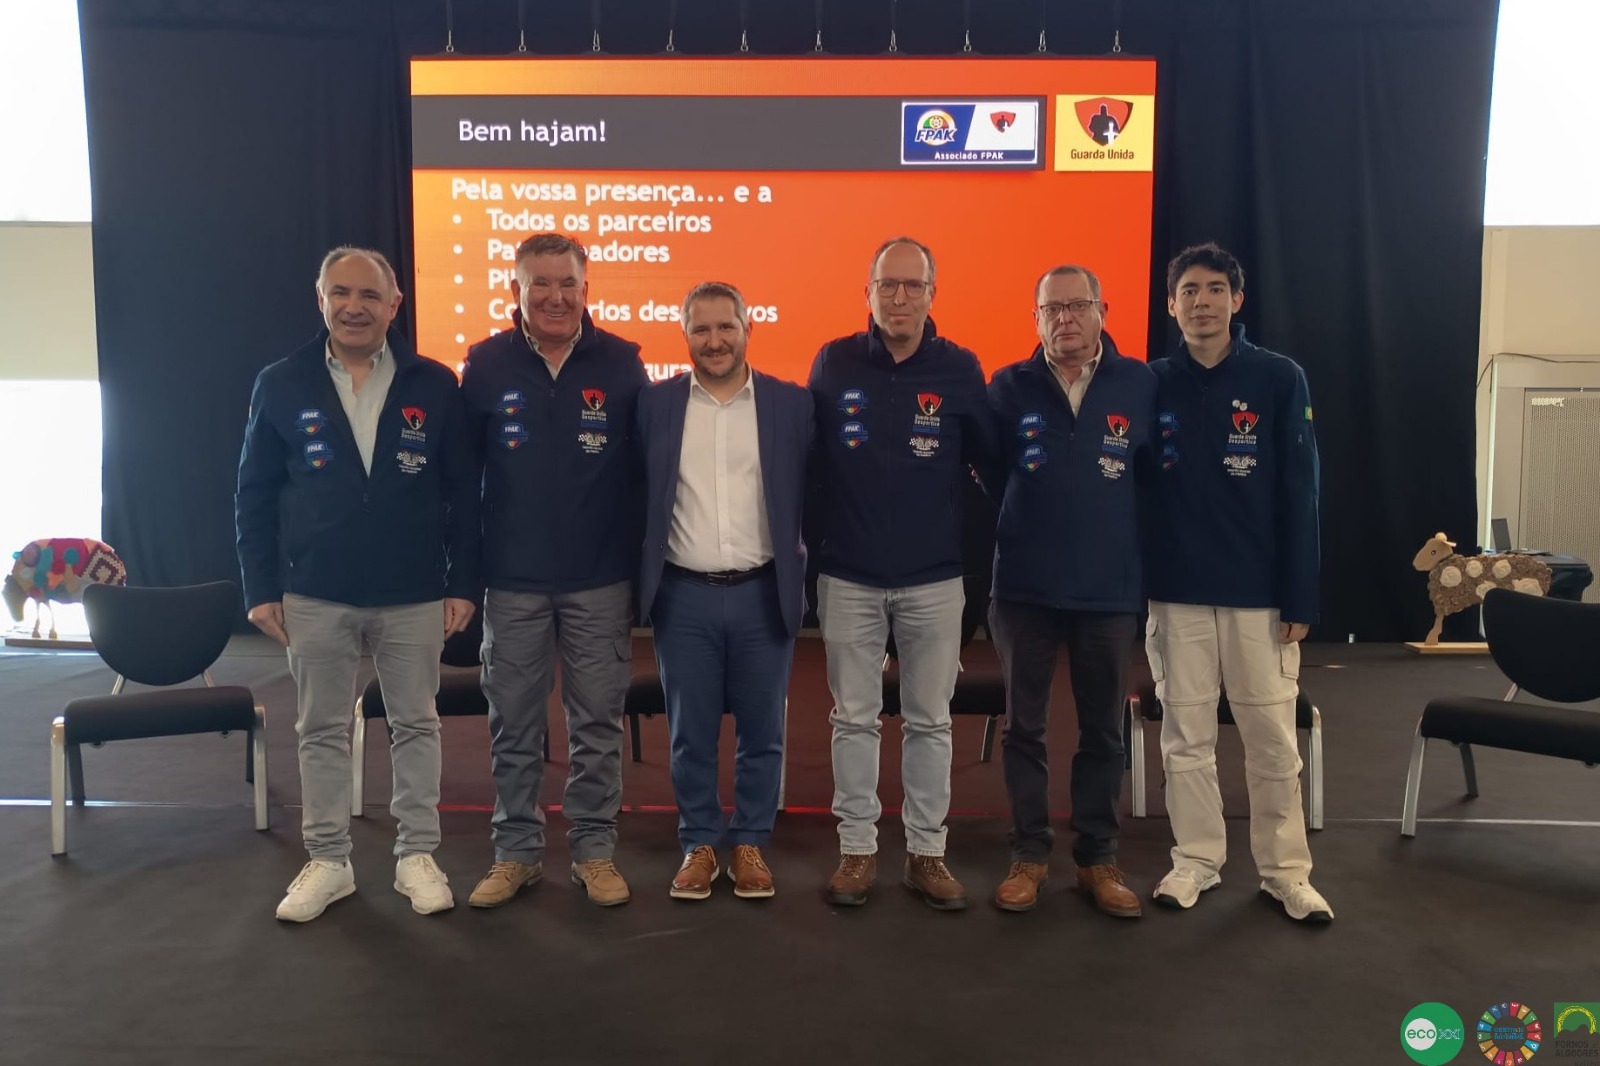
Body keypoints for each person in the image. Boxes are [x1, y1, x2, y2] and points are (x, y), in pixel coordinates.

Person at [236, 246, 480, 922]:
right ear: (320, 300)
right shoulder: (281, 383)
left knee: (416, 723)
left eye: (369, 295)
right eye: (340, 293)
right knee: (320, 728)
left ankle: (417, 855)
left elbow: (464, 492)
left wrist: (464, 581)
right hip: (315, 590)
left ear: (394, 305)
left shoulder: (435, 383)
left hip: (414, 590)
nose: (354, 306)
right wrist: (260, 586)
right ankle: (328, 860)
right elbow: (253, 493)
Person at [458, 233, 648, 909]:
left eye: (567, 283)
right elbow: (463, 483)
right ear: (516, 290)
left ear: (586, 289)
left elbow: (643, 478)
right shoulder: (485, 365)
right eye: (540, 283)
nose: (555, 296)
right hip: (512, 583)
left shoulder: (623, 364)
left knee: (596, 723)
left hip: (600, 582)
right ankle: (516, 853)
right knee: (514, 724)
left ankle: (594, 852)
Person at [807, 237, 997, 911]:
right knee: (853, 719)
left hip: (934, 580)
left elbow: (988, 468)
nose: (900, 297)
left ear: (931, 295)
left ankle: (926, 854)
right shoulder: (833, 362)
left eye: (913, 286)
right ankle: (857, 850)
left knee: (930, 722)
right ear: (868, 292)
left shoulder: (960, 369)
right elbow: (810, 462)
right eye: (888, 284)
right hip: (848, 576)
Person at [1144, 241, 1332, 923]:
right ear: (1172, 306)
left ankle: (1286, 873)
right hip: (1176, 592)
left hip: (1260, 596)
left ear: (1237, 300)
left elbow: (1301, 493)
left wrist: (1299, 594)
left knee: (1272, 740)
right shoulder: (1150, 383)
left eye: (1215, 289)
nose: (1203, 302)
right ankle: (1195, 860)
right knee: (1185, 737)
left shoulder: (1279, 378)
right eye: (1189, 291)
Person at [985, 265, 1155, 918]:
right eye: (1051, 308)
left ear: (1102, 311)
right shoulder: (1008, 386)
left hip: (1108, 591)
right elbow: (990, 473)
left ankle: (1098, 859)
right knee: (1023, 729)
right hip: (1023, 590)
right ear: (1036, 319)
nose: (1065, 319)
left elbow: (1150, 477)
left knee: (1104, 730)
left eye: (1078, 305)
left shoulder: (1139, 383)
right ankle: (1028, 855)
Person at [635, 282, 813, 901]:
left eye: (725, 327)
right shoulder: (655, 405)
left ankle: (751, 842)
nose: (714, 341)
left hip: (764, 592)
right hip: (683, 595)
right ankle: (700, 842)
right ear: (685, 335)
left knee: (763, 731)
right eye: (701, 329)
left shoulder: (791, 405)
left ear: (747, 329)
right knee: (691, 732)